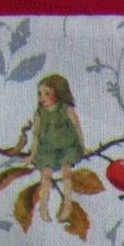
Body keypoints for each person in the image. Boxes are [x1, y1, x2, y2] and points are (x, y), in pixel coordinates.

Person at [26, 75, 86, 222]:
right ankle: (43, 207)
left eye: (47, 93)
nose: (42, 97)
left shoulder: (66, 109)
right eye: (40, 94)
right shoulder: (39, 113)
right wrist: (33, 154)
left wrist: (83, 146)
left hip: (67, 147)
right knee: (45, 176)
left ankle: (67, 205)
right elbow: (36, 135)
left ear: (58, 93)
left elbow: (77, 127)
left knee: (66, 174)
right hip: (48, 149)